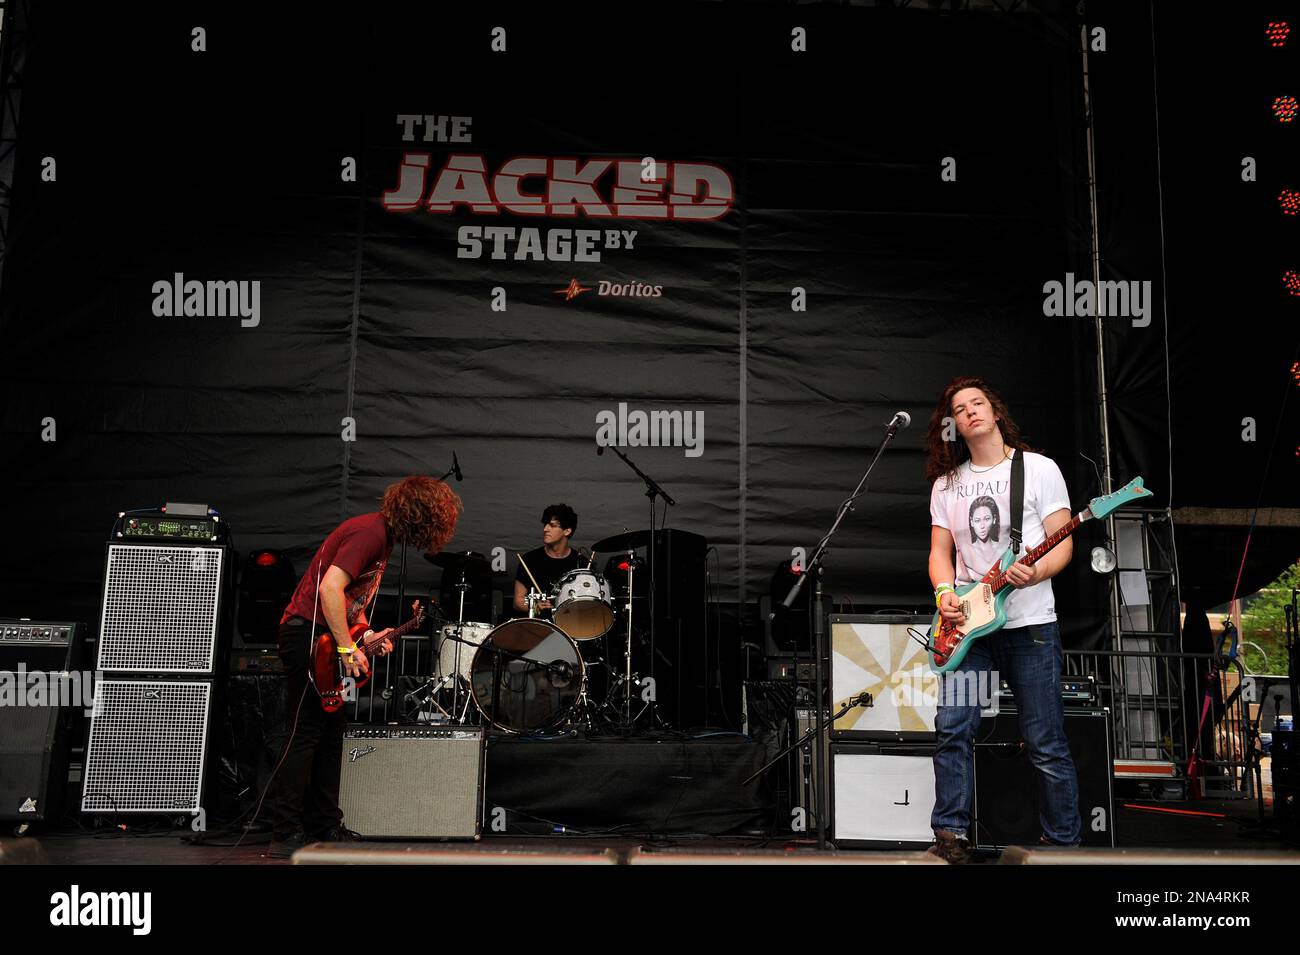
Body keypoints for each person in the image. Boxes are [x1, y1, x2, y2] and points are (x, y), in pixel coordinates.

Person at [262, 475, 461, 857]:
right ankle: (283, 832)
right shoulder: (368, 532)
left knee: (330, 733)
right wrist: (344, 647)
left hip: (324, 635)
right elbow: (329, 589)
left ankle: (323, 827)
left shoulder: (381, 538)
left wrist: (365, 635)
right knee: (305, 733)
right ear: (420, 516)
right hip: (308, 635)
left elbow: (351, 601)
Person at [925, 376, 1080, 862]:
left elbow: (1065, 541)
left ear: (994, 412)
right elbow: (939, 553)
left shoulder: (1037, 469)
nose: (970, 411)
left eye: (977, 403)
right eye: (960, 408)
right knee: (953, 727)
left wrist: (1036, 572)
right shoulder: (947, 485)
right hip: (972, 633)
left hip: (1031, 626)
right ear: (952, 424)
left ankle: (1062, 846)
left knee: (1045, 740)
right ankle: (950, 836)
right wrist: (945, 592)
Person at [512, 504, 585, 616]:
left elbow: (587, 603)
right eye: (545, 524)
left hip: (572, 625)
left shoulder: (581, 563)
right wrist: (535, 607)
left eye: (552, 525)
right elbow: (517, 601)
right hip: (538, 627)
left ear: (567, 531)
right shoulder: (529, 560)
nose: (545, 529)